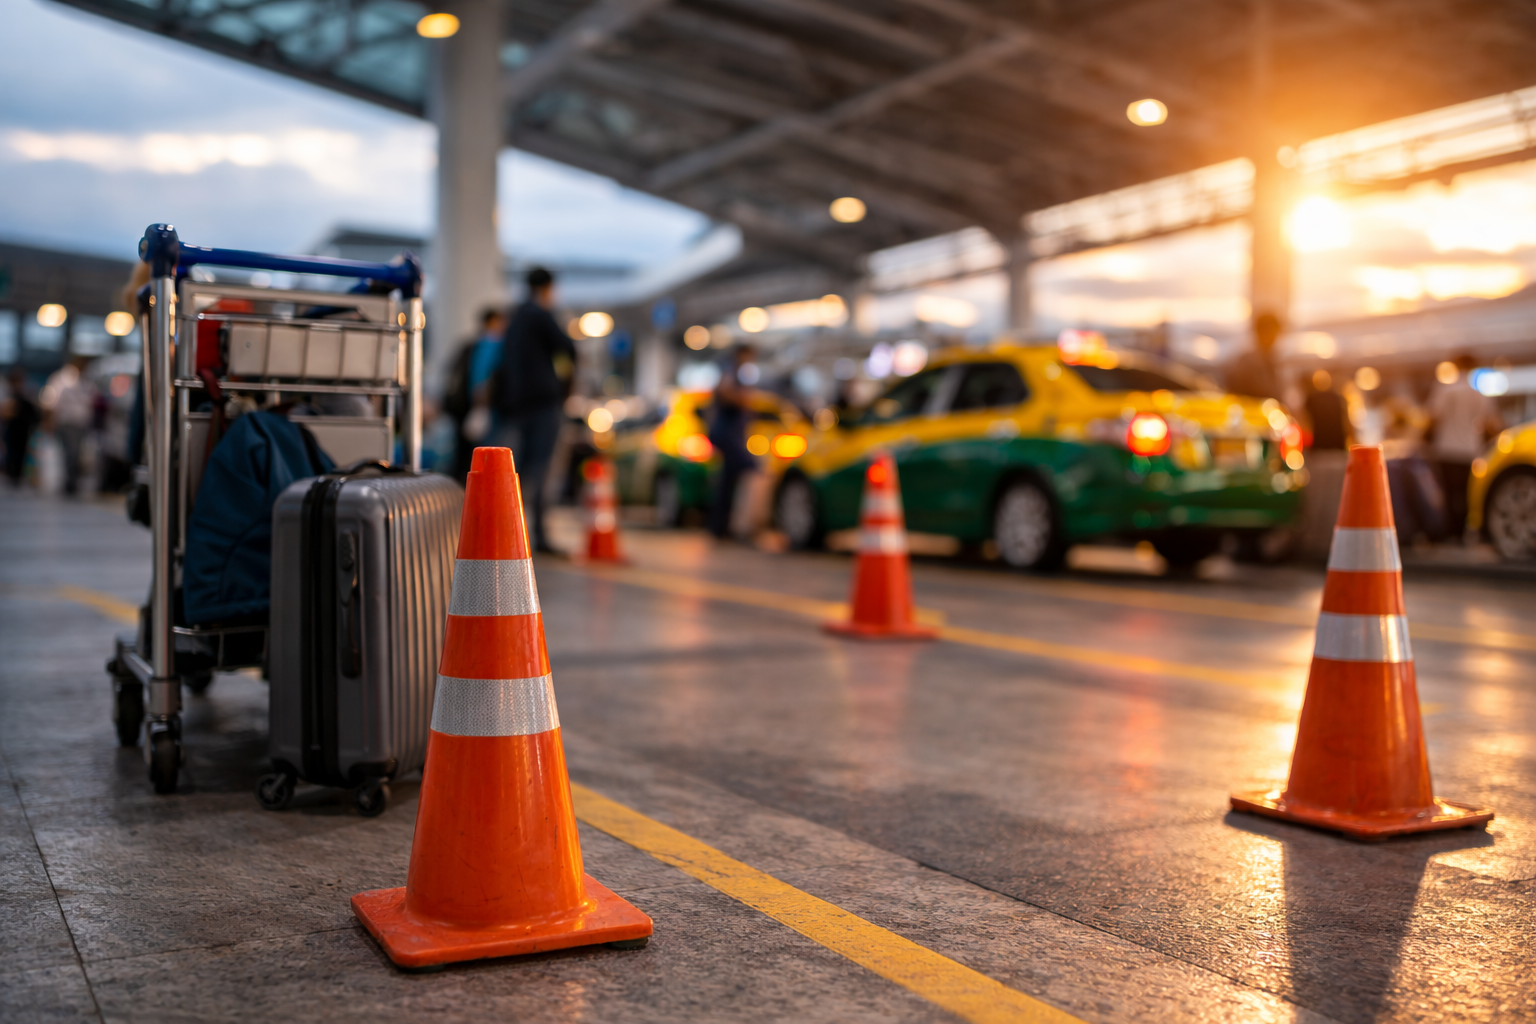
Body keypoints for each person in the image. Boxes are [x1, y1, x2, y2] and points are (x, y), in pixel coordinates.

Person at [492, 268, 575, 553]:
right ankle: (538, 534)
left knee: (522, 468)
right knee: (542, 468)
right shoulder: (541, 314)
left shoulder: (514, 317)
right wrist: (564, 383)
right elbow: (567, 348)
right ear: (548, 288)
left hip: (517, 405)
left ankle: (513, 534)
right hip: (543, 403)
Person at [1426, 353, 1503, 540]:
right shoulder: (1479, 394)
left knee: (1447, 493)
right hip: (1469, 450)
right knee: (1466, 492)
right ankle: (1463, 532)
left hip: (1446, 449)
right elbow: (1492, 424)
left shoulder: (1445, 390)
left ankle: (1448, 532)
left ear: (1456, 365)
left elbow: (1432, 417)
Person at [443, 307, 506, 482]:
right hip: (482, 406)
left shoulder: (471, 345)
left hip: (462, 407)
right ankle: (479, 488)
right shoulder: (493, 344)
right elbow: (481, 378)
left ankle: (460, 487)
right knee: (486, 453)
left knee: (465, 453)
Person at [706, 344, 762, 539]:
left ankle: (720, 526)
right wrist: (743, 400)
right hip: (726, 435)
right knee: (750, 467)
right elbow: (724, 391)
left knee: (727, 479)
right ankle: (739, 526)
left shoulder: (735, 371)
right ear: (741, 354)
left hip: (728, 434)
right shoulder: (731, 369)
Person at [1226, 313, 1283, 401]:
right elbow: (1237, 395)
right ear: (1260, 332)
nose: (1275, 338)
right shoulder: (1248, 363)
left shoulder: (1270, 361)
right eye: (1272, 332)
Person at [3, 368, 40, 487]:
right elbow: (7, 413)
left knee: (21, 453)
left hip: (23, 429)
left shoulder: (26, 395)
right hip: (12, 429)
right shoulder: (9, 394)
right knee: (12, 453)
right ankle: (12, 475)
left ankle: (17, 476)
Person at [1301, 369, 1350, 451]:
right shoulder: (1338, 398)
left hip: (1318, 446)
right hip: (1338, 445)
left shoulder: (1311, 399)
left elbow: (1306, 424)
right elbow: (1346, 423)